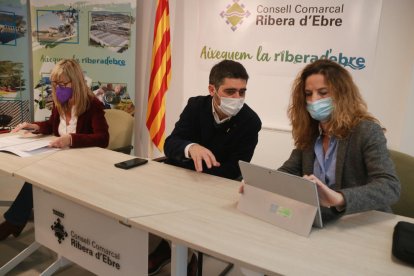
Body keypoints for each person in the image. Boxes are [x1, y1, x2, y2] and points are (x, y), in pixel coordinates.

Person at [148, 60, 262, 275]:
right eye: (230, 91)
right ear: (212, 90)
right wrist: (191, 148)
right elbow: (170, 143)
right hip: (179, 177)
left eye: (242, 92)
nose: (237, 98)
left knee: (190, 207)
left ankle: (180, 253)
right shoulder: (196, 106)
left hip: (215, 184)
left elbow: (233, 169)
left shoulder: (250, 122)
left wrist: (195, 171)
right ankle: (170, 247)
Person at [0, 59, 109, 241]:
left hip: (84, 165)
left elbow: (103, 138)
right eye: (55, 84)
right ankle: (16, 221)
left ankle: (14, 222)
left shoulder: (92, 105)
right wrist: (34, 126)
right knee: (34, 175)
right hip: (59, 160)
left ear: (75, 82)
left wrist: (71, 139)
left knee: (35, 179)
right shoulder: (61, 102)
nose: (58, 88)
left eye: (62, 84)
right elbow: (52, 126)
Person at [277, 59, 400, 219]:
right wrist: (262, 183)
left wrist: (340, 198)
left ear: (342, 94)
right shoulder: (311, 132)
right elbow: (289, 171)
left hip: (360, 220)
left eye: (323, 92)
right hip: (322, 218)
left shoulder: (366, 131)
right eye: (308, 94)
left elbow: (390, 187)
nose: (314, 100)